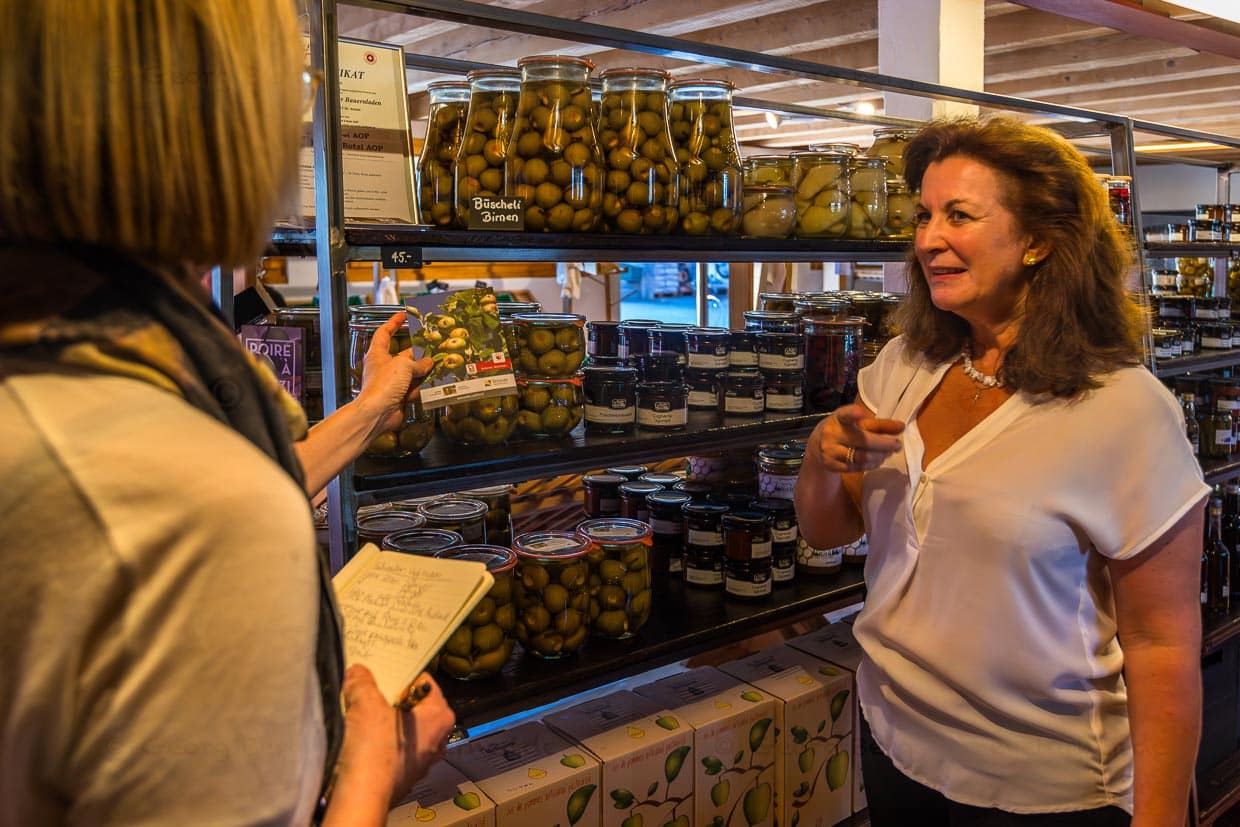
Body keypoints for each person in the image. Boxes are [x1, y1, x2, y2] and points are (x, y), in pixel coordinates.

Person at [0, 2, 453, 826]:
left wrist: (369, 407)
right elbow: (211, 488)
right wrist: (368, 778)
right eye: (288, 90)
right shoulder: (196, 515)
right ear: (223, 132)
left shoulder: (56, 367)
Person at [795, 116, 1206, 826]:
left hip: (1043, 787)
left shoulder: (1125, 410)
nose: (928, 239)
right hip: (897, 745)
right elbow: (826, 529)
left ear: (1040, 240)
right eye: (924, 215)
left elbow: (1161, 642)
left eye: (960, 215)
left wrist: (1162, 816)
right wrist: (820, 452)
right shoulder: (905, 365)